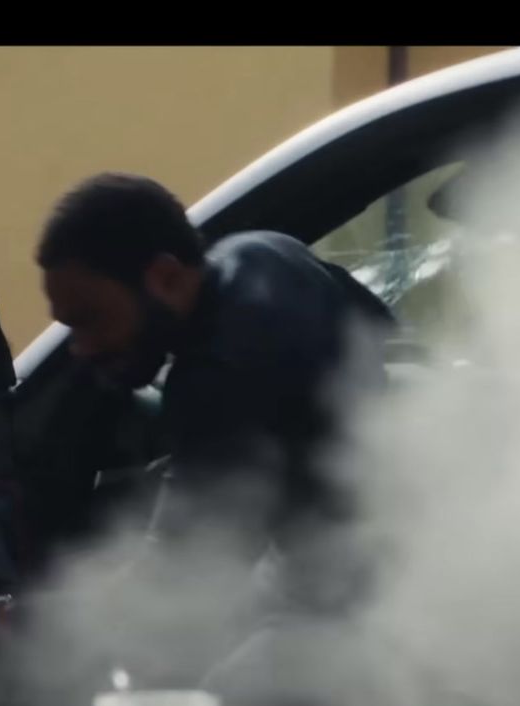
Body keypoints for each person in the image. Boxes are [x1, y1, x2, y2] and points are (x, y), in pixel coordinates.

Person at [35, 173, 395, 645]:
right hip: (422, 557)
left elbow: (177, 577)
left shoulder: (218, 373)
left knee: (228, 696)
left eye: (91, 321)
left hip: (387, 609)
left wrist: (12, 621)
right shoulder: (264, 252)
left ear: (165, 277)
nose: (80, 349)